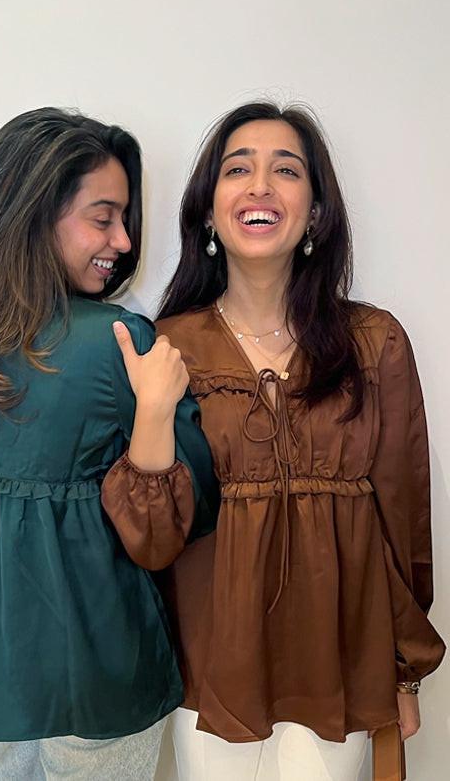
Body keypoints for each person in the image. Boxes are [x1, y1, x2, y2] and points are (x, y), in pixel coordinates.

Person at [0, 107, 219, 780]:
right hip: (98, 673)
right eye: (103, 215)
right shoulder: (119, 343)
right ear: (34, 213)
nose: (121, 239)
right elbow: (191, 510)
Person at [107, 101, 446, 780]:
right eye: (238, 169)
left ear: (316, 212)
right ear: (207, 210)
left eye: (285, 170)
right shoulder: (163, 346)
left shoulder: (372, 342)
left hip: (342, 662)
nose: (259, 186)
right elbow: (147, 539)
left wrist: (404, 671)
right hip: (211, 666)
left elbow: (401, 516)